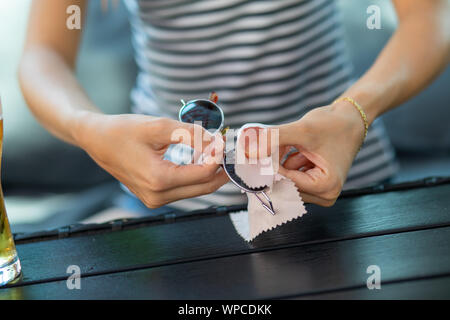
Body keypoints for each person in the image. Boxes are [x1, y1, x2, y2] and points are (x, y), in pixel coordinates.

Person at [19, 0, 450, 213]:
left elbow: (431, 17)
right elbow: (43, 54)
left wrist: (355, 111)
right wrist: (88, 128)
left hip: (336, 185)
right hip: (169, 205)